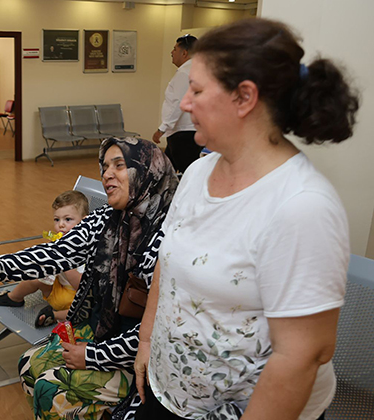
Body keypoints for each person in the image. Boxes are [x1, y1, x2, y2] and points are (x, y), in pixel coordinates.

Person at [134, 18, 359, 420]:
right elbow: (167, 262)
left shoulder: (302, 206)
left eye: (197, 90)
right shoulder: (198, 173)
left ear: (244, 98)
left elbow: (302, 355)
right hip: (169, 395)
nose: (184, 104)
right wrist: (147, 340)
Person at [0, 137, 178, 419]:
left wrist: (91, 356)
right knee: (28, 365)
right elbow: (57, 252)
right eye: (104, 167)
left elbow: (161, 331)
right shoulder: (109, 218)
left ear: (148, 172)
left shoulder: (171, 237)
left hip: (142, 358)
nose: (107, 174)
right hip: (102, 330)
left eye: (119, 165)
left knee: (50, 389)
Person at [0, 190, 89, 327]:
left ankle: (54, 315)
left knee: (87, 309)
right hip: (58, 289)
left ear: (85, 222)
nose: (61, 225)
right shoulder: (61, 242)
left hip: (75, 299)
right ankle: (14, 297)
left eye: (68, 219)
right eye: (57, 219)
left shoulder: (88, 249)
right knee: (36, 276)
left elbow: (83, 287)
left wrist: (65, 262)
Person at [152, 34, 201, 174]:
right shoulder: (198, 70)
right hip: (189, 130)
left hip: (183, 133)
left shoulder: (184, 73)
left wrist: (162, 128)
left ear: (184, 53)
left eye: (175, 49)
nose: (172, 52)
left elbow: (178, 104)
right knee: (168, 170)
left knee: (187, 173)